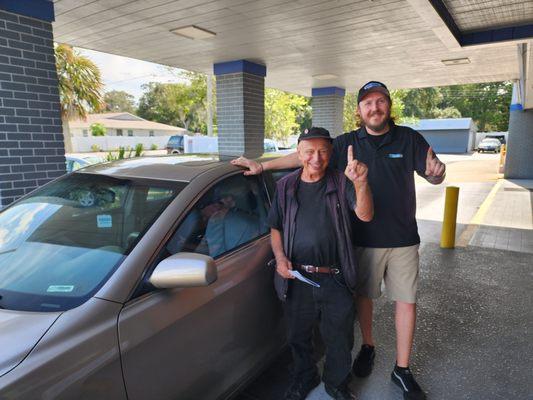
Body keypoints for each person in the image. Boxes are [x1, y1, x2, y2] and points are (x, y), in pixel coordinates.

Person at [231, 81, 446, 400]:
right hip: (358, 242)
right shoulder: (345, 143)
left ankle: (400, 369)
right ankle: (368, 347)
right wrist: (262, 165)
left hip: (400, 238)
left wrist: (437, 174)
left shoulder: (409, 137)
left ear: (389, 105)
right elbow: (304, 155)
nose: (374, 108)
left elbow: (432, 172)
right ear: (359, 111)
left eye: (380, 101)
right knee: (362, 299)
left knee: (404, 301)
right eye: (367, 103)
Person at [268, 127, 373, 400]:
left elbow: (365, 215)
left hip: (334, 277)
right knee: (297, 337)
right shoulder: (285, 186)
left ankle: (336, 384)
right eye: (310, 151)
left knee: (339, 339)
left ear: (331, 153)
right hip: (296, 277)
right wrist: (280, 258)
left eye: (324, 151)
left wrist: (361, 183)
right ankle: (305, 377)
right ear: (299, 153)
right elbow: (276, 227)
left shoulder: (341, 182)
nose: (317, 157)